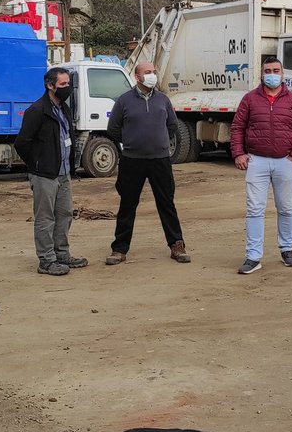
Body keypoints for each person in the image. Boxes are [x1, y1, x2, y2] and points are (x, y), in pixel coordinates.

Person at [230, 56, 292, 275]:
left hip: (285, 161)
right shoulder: (249, 99)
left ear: (282, 74)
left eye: (276, 70)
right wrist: (238, 153)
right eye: (268, 71)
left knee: (286, 208)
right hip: (257, 161)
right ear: (261, 74)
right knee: (255, 209)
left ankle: (287, 250)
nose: (272, 74)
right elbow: (237, 127)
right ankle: (253, 256)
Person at [105, 62, 188, 265]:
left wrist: (157, 143)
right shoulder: (124, 101)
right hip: (132, 160)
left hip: (160, 160)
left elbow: (172, 126)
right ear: (137, 77)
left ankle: (177, 245)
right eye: (147, 72)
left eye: (154, 72)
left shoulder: (163, 100)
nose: (152, 75)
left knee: (166, 202)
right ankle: (119, 249)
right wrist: (132, 142)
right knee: (127, 204)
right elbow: (113, 128)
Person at [14, 66, 88, 277]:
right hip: (44, 175)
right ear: (50, 85)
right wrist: (37, 164)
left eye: (68, 84)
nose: (67, 88)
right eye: (63, 84)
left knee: (64, 214)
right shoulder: (37, 111)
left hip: (63, 173)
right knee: (45, 218)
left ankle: (61, 254)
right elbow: (22, 143)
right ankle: (46, 260)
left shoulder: (64, 108)